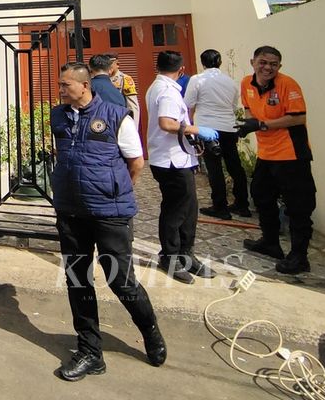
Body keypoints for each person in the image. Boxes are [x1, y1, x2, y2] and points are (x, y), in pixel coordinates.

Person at [51, 63, 167, 381]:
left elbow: (136, 162)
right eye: (59, 85)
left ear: (85, 85)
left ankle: (150, 331)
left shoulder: (116, 116)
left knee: (121, 280)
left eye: (65, 85)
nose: (60, 90)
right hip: (71, 211)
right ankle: (90, 352)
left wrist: (113, 192)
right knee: (78, 280)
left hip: (110, 213)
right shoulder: (57, 116)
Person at [238, 46, 314, 275]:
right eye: (263, 62)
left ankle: (300, 257)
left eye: (273, 64)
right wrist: (249, 124)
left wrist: (262, 125)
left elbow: (298, 117)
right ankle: (270, 242)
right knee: (261, 196)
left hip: (292, 154)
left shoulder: (287, 84)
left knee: (298, 207)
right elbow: (250, 109)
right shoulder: (246, 84)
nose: (267, 67)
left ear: (279, 67)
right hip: (267, 154)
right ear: (253, 62)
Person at [145, 50, 219, 284]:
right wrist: (197, 130)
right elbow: (166, 123)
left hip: (178, 157)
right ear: (182, 70)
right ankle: (170, 256)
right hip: (171, 160)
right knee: (176, 211)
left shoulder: (158, 87)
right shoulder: (166, 91)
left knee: (189, 208)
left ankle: (186, 254)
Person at [185, 48, 250, 219]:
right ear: (220, 62)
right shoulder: (230, 82)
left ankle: (220, 206)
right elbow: (235, 105)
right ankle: (242, 204)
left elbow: (189, 102)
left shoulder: (197, 79)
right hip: (229, 128)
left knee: (214, 169)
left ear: (202, 62)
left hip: (208, 129)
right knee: (235, 166)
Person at [107, 54, 140, 125]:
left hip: (120, 119)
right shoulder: (102, 80)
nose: (107, 67)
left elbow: (132, 106)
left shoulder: (125, 79)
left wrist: (134, 126)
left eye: (109, 64)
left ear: (117, 64)